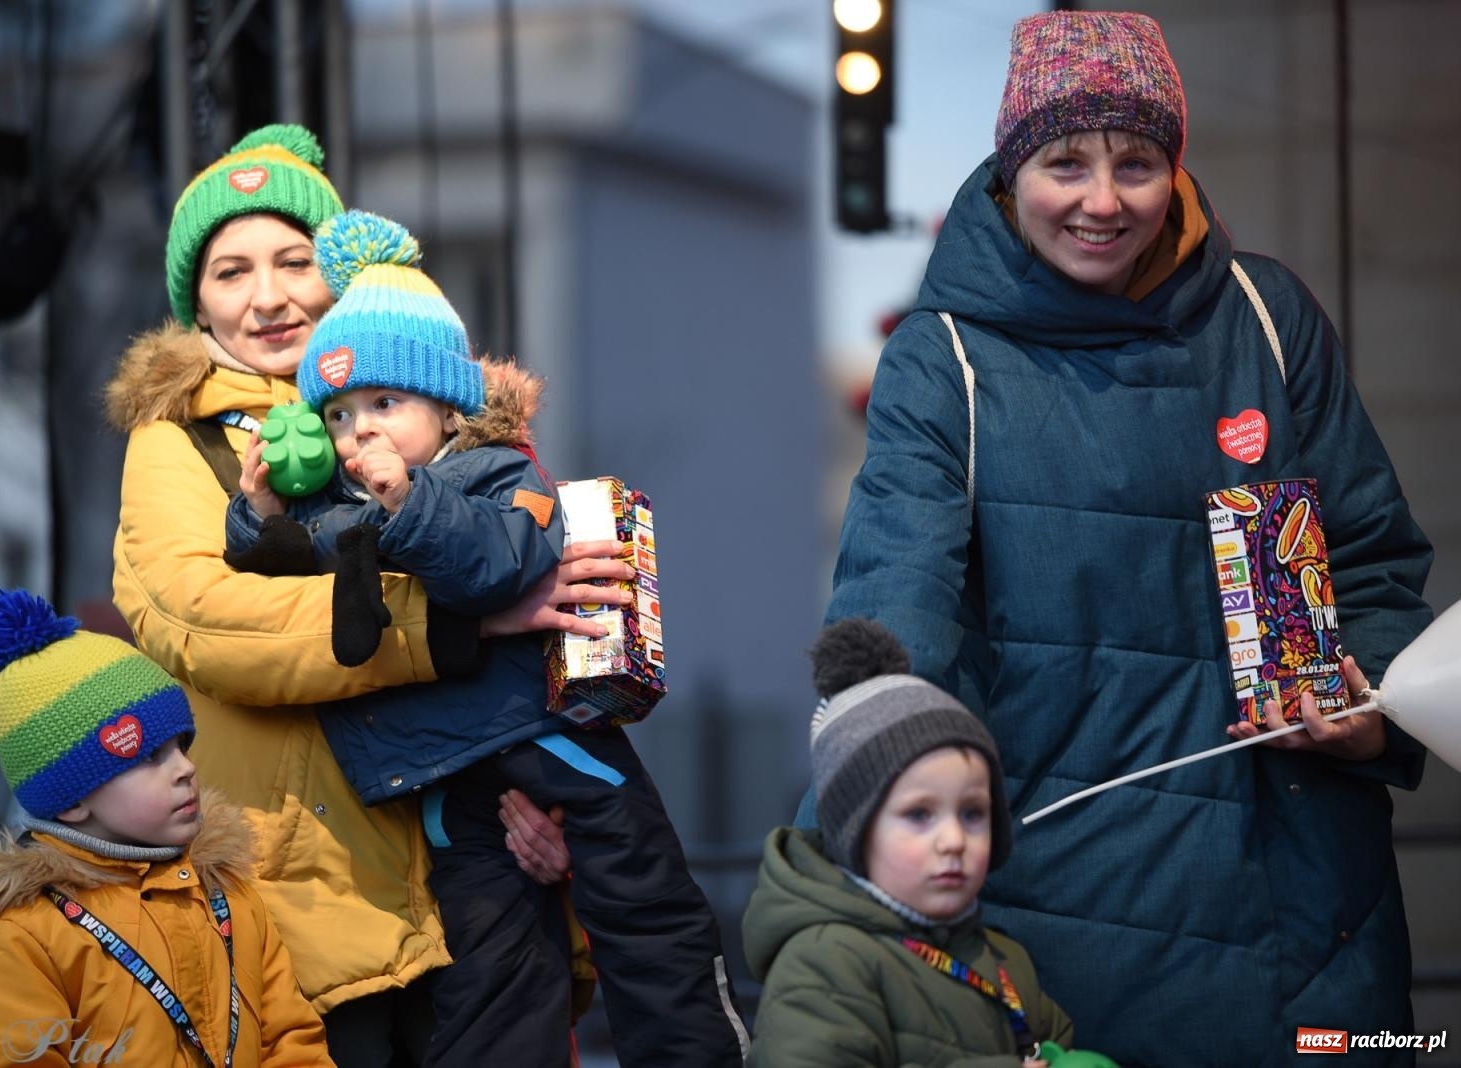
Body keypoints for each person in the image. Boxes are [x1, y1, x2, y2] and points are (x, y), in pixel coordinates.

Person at [824, 11, 1433, 1067]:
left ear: (1174, 170)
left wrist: (1372, 710)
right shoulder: (944, 358)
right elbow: (897, 607)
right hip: (1064, 906)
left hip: (1311, 909)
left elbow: (1372, 560)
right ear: (1012, 174)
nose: (1102, 201)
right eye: (1065, 162)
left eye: (1136, 163)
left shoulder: (1268, 317)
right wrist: (848, 848)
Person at [106, 124, 625, 1068]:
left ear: (339, 270)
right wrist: (451, 622)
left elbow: (546, 628)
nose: (268, 296)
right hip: (303, 899)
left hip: (469, 866)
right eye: (231, 272)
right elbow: (209, 626)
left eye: (294, 261)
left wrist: (561, 816)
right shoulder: (177, 440)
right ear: (196, 302)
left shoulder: (437, 410)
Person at [224, 208, 749, 1068]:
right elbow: (271, 576)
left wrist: (409, 502)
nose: (361, 432)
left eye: (385, 404)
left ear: (447, 407)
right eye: (340, 415)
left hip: (543, 737)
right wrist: (258, 513)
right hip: (441, 780)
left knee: (647, 909)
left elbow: (498, 564)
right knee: (491, 973)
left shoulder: (497, 473)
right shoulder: (338, 513)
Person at [0, 588, 332, 1067]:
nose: (185, 769)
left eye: (181, 746)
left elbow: (290, 1038)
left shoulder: (227, 891)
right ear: (73, 799)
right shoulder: (24, 934)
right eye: (151, 757)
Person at [745, 619, 1075, 1068]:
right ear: (855, 831)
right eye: (919, 815)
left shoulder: (1004, 960)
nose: (954, 840)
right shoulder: (825, 962)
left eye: (973, 813)